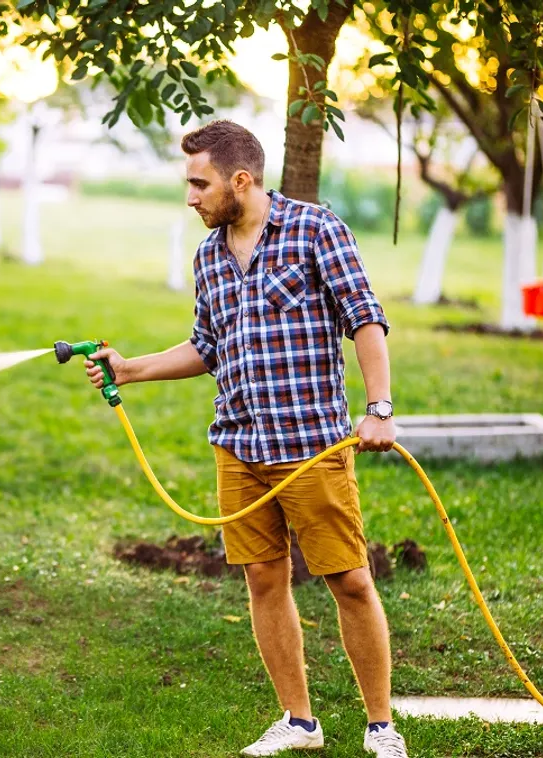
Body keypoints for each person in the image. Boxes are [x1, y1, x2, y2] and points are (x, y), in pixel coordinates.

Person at [83, 120, 406, 757]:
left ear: (240, 180)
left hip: (309, 443)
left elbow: (365, 318)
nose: (191, 197)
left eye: (199, 184)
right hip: (238, 442)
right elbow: (208, 344)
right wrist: (133, 369)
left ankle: (381, 727)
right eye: (188, 184)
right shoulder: (208, 256)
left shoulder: (316, 230)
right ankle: (300, 722)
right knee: (263, 578)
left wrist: (380, 408)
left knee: (348, 580)